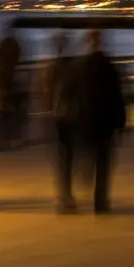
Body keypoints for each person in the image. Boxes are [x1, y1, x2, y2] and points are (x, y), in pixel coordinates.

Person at [75, 28, 127, 215]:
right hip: (105, 122)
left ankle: (85, 183)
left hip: (87, 121)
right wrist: (120, 123)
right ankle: (101, 200)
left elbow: (76, 95)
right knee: (104, 163)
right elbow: (116, 95)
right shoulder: (108, 65)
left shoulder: (81, 66)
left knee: (89, 156)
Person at [43, 32, 82, 213]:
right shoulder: (73, 68)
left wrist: (49, 110)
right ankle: (66, 194)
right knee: (68, 156)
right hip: (70, 115)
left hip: (59, 115)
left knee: (64, 157)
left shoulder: (53, 68)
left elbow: (47, 92)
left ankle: (64, 194)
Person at [0, 21, 26, 148]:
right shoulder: (14, 45)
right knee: (14, 111)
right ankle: (14, 137)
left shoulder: (4, 45)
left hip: (6, 81)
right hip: (12, 81)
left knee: (6, 111)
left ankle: (7, 137)